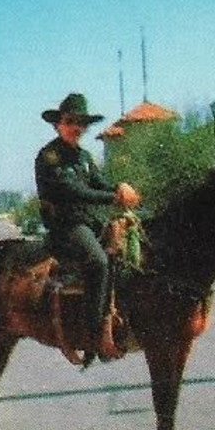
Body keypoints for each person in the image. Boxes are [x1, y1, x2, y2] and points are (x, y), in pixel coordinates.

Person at [35, 93, 139, 362]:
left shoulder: (84, 157)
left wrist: (120, 188)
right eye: (70, 122)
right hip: (66, 227)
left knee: (130, 251)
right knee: (99, 261)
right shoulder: (50, 157)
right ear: (58, 124)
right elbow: (73, 191)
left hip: (89, 223)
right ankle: (93, 333)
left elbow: (99, 182)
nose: (76, 128)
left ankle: (117, 318)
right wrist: (113, 197)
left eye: (81, 123)